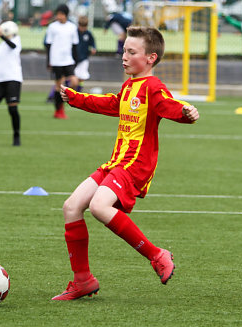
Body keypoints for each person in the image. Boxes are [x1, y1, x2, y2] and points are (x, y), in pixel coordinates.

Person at [51, 26, 200, 301]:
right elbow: (113, 104)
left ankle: (157, 255)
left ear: (150, 58)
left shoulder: (153, 87)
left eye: (132, 52)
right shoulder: (130, 85)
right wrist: (76, 97)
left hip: (135, 165)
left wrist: (185, 112)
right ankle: (83, 280)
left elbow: (168, 105)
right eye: (124, 51)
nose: (124, 56)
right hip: (117, 162)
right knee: (71, 207)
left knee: (98, 206)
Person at [45, 4, 79, 119]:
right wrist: (48, 61)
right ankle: (59, 110)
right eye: (57, 14)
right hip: (56, 61)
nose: (59, 16)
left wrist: (75, 60)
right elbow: (48, 45)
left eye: (61, 14)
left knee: (74, 82)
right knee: (59, 86)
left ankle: (62, 103)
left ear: (66, 15)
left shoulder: (72, 27)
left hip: (68, 60)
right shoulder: (52, 27)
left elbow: (75, 45)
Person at [74, 15, 96, 91]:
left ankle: (79, 91)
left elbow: (92, 43)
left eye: (84, 26)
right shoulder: (74, 33)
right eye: (81, 26)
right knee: (73, 76)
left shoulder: (88, 34)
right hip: (74, 58)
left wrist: (93, 48)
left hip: (84, 58)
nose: (83, 28)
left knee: (82, 76)